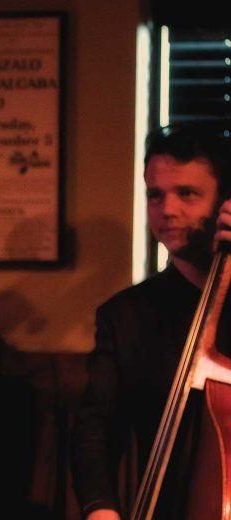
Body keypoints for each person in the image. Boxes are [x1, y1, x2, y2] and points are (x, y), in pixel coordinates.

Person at [70, 124, 231, 519]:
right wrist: (100, 508)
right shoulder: (124, 315)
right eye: (155, 195)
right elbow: (97, 428)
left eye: (187, 194)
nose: (167, 210)